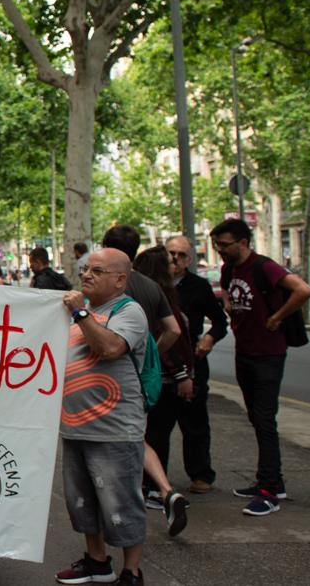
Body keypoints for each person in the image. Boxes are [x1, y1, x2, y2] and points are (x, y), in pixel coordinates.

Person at [56, 249, 150, 586]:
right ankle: (96, 561)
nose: (86, 276)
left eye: (97, 270)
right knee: (81, 502)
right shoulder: (80, 311)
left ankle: (132, 571)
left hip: (114, 430)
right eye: (84, 269)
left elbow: (110, 349)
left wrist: (80, 312)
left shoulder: (129, 312)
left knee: (121, 503)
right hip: (76, 425)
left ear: (120, 279)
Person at [210, 218, 310, 516]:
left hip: (269, 354)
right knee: (256, 417)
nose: (220, 250)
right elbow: (228, 292)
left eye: (225, 244)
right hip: (245, 351)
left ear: (243, 242)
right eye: (218, 244)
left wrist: (277, 316)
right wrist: (229, 305)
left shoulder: (264, 266)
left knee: (265, 420)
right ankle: (271, 480)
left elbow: (303, 290)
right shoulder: (229, 269)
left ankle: (269, 491)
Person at [100, 226, 187, 533]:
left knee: (110, 444)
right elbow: (174, 329)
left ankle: (124, 506)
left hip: (105, 376)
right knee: (138, 437)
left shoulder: (103, 285)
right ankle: (164, 490)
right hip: (142, 378)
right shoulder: (151, 286)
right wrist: (150, 354)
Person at [133, 246, 196, 537]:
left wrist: (151, 362)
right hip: (169, 379)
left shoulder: (142, 295)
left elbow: (171, 336)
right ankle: (164, 489)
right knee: (151, 437)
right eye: (171, 259)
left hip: (159, 379)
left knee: (143, 436)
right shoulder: (161, 293)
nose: (176, 263)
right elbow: (177, 333)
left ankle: (151, 490)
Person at [165, 235, 228, 494]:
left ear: (189, 260)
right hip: (161, 361)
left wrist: (209, 339)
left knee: (195, 422)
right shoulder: (153, 283)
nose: (174, 259)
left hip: (192, 361)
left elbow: (220, 321)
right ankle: (154, 480)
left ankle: (201, 474)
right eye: (170, 253)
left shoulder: (199, 286)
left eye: (180, 255)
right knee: (158, 424)